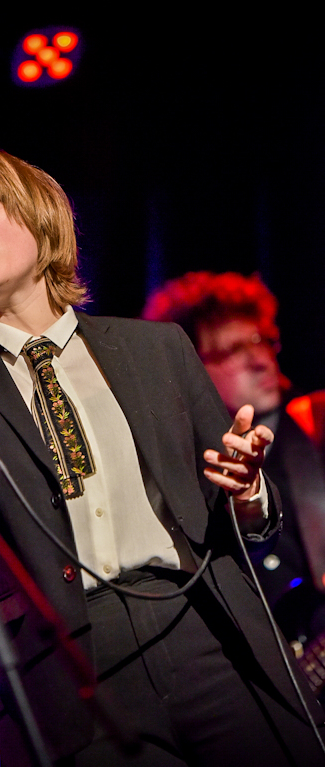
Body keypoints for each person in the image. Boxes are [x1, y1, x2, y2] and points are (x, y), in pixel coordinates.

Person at [0, 147, 325, 767]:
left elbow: (240, 517)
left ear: (36, 213)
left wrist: (247, 490)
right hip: (74, 670)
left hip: (202, 625)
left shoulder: (155, 348)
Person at [143, 271, 325, 691]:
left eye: (262, 340)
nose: (260, 359)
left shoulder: (317, 425)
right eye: (234, 349)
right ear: (190, 369)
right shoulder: (177, 469)